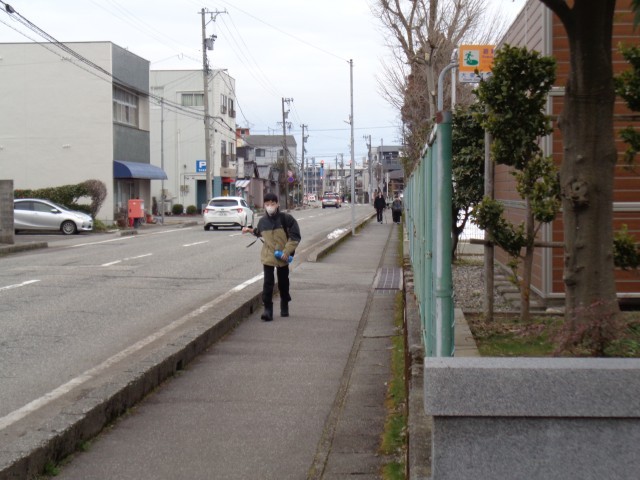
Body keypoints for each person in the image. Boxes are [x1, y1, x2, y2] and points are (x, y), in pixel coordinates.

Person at [242, 192, 301, 322]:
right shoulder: (262, 221)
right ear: (264, 205)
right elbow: (259, 232)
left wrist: (287, 252)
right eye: (267, 204)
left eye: (272, 204)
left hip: (283, 256)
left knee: (283, 282)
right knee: (268, 283)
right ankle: (267, 309)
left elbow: (295, 236)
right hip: (268, 255)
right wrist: (249, 230)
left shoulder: (286, 219)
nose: (270, 206)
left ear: (277, 204)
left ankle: (284, 303)